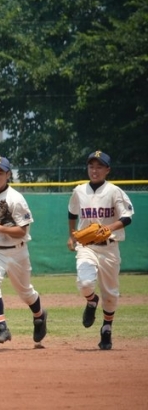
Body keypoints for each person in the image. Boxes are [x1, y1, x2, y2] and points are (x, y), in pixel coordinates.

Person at [0, 156, 47, 345]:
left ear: (8, 175)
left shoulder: (16, 199)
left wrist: (1, 229)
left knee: (25, 293)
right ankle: (2, 328)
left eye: (0, 173)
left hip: (17, 252)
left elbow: (22, 231)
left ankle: (39, 316)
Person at [67, 150, 134, 350]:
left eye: (99, 167)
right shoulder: (79, 191)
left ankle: (106, 329)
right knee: (85, 283)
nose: (94, 170)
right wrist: (72, 235)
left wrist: (109, 228)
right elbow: (71, 213)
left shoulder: (114, 191)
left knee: (110, 293)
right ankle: (91, 301)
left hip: (109, 248)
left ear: (107, 170)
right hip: (87, 246)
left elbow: (127, 217)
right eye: (91, 166)